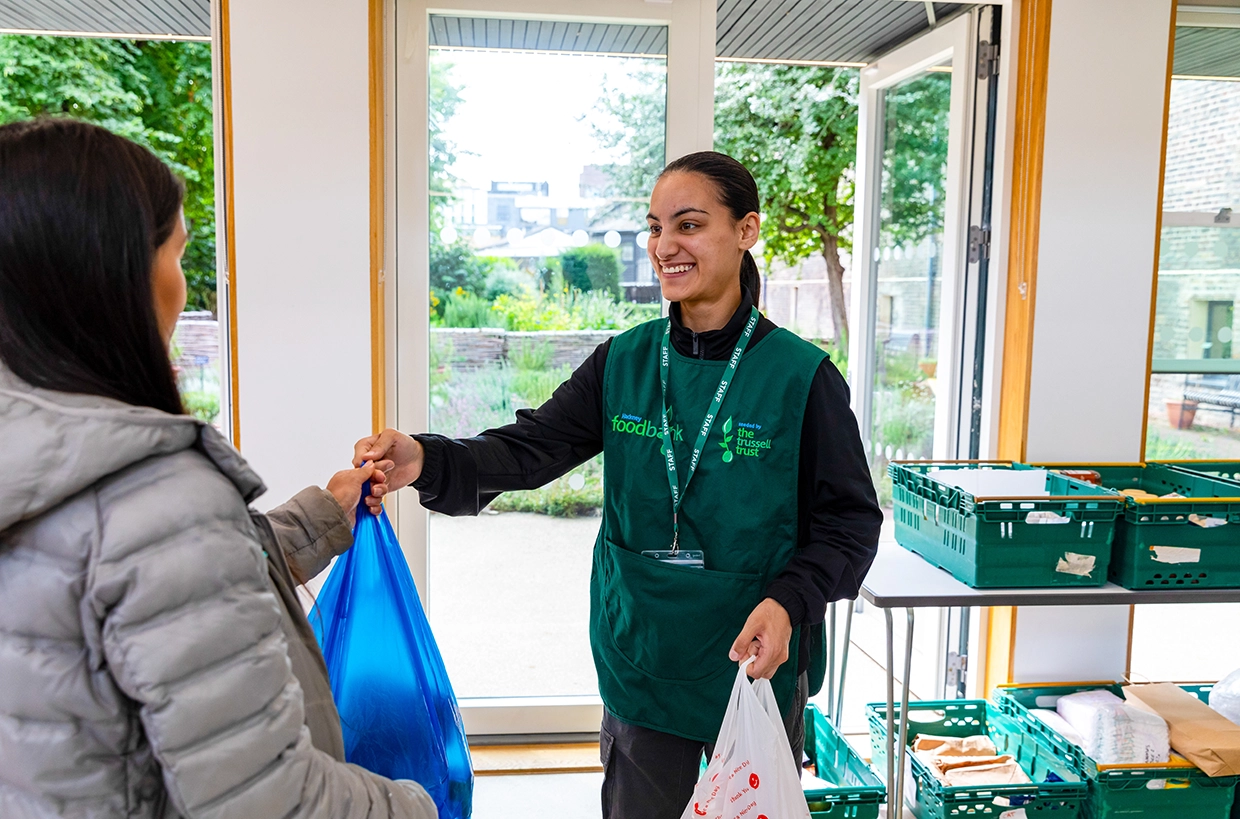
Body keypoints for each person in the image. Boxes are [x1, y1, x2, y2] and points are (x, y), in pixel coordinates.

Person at [356, 150, 882, 818]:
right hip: (644, 659)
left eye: (688, 225)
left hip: (754, 658)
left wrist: (789, 601)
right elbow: (529, 449)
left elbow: (850, 521)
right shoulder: (624, 362)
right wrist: (424, 459)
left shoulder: (801, 377)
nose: (665, 246)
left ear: (746, 230)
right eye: (655, 227)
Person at [0, 118, 437, 818]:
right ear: (113, 278)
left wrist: (324, 512)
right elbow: (271, 802)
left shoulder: (38, 452)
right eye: (176, 254)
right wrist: (418, 803)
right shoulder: (158, 494)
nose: (180, 284)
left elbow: (138, 574)